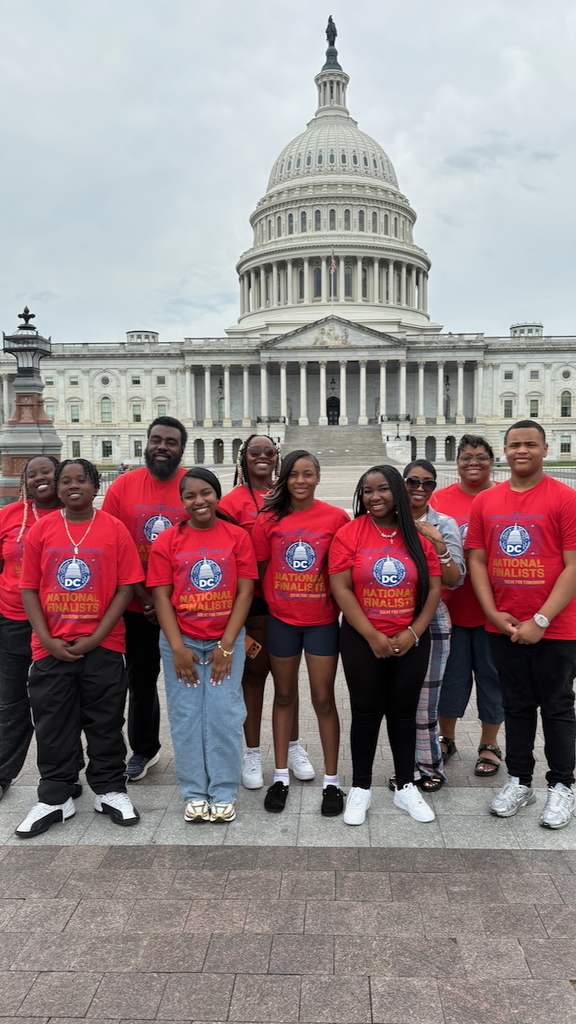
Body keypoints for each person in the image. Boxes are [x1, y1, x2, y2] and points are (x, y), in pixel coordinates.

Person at [16, 459, 144, 838]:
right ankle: (57, 795)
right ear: (57, 489)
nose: (74, 487)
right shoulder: (42, 530)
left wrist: (96, 636)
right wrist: (48, 639)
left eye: (81, 481)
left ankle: (109, 789)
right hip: (50, 645)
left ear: (95, 487)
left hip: (103, 645)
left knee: (105, 721)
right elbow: (29, 588)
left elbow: (125, 587)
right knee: (53, 722)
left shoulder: (113, 529)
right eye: (65, 481)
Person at [468, 420, 576, 829]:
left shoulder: (565, 499)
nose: (522, 451)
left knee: (558, 707)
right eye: (515, 445)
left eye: (530, 444)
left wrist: (542, 619)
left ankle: (562, 785)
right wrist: (493, 612)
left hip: (558, 625)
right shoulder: (486, 502)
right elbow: (477, 560)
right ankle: (519, 780)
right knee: (515, 705)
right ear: (505, 451)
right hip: (504, 623)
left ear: (546, 449)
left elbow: (573, 565)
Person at [329, 464, 441, 825]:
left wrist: (413, 632)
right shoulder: (349, 533)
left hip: (411, 638)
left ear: (396, 491)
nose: (374, 497)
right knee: (364, 712)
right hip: (363, 638)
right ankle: (361, 788)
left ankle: (406, 786)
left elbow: (434, 588)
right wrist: (373, 635)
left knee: (405, 713)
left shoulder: (418, 538)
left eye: (382, 489)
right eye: (367, 491)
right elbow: (341, 587)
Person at [148, 468, 257, 823]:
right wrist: (177, 647)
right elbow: (162, 597)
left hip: (225, 639)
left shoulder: (237, 537)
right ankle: (194, 791)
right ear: (182, 501)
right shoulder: (167, 541)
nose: (199, 501)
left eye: (206, 493)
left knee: (224, 715)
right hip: (182, 640)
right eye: (191, 496)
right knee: (186, 717)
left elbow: (245, 592)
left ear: (218, 495)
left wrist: (227, 644)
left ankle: (224, 789)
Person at [251, 450, 349, 815]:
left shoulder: (336, 518)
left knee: (323, 699)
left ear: (318, 477)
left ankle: (332, 782)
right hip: (283, 621)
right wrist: (281, 597)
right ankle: (280, 778)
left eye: (308, 474)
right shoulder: (268, 519)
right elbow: (262, 569)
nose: (301, 481)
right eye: (294, 474)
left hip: (322, 620)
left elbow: (342, 570)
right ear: (283, 479)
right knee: (283, 696)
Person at [219, 435, 313, 790]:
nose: (262, 457)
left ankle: (292, 746)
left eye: (269, 452)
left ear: (278, 457)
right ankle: (253, 752)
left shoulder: (288, 495)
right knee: (254, 678)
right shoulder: (232, 502)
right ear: (244, 457)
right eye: (255, 452)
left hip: (290, 598)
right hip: (252, 601)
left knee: (287, 682)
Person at [102, 416, 188, 781]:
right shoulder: (123, 487)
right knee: (140, 680)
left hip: (185, 607)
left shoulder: (193, 485)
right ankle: (143, 749)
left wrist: (168, 601)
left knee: (191, 682)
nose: (162, 446)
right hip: (137, 606)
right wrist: (145, 597)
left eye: (170, 441)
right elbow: (113, 548)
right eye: (156, 439)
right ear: (147, 443)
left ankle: (194, 751)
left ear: (181, 448)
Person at [386, 459, 464, 791]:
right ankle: (406, 768)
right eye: (413, 481)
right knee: (399, 699)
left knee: (426, 699)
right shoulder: (386, 520)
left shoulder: (443, 523)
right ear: (401, 484)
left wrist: (439, 545)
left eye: (428, 483)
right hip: (391, 617)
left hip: (432, 620)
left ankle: (429, 766)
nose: (419, 489)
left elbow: (456, 579)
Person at [430, 435, 504, 775]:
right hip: (452, 608)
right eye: (466, 457)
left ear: (493, 460)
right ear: (457, 461)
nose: (473, 463)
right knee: (450, 677)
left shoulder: (503, 497)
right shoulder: (439, 500)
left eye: (481, 457)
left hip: (496, 608)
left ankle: (489, 742)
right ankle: (446, 737)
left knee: (493, 678)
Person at [0, 456, 64, 802]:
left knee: (57, 702)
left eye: (47, 471)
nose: (40, 478)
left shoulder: (72, 515)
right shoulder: (9, 516)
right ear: (25, 481)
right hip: (12, 620)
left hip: (59, 621)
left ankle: (63, 775)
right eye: (32, 474)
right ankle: (2, 773)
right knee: (11, 702)